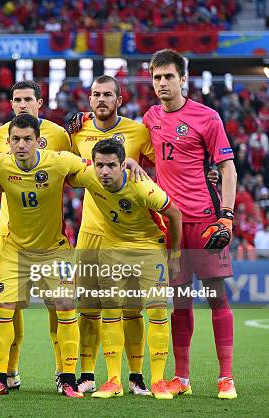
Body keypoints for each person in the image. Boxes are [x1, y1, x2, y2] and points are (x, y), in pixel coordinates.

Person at [0, 114, 89, 397]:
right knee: (3, 311)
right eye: (16, 140)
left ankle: (68, 379)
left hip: (54, 251)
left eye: (27, 139)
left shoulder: (58, 161)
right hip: (14, 250)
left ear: (38, 141)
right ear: (8, 142)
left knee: (66, 306)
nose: (21, 145)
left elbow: (96, 168)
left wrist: (128, 164)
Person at [143, 49, 238, 399]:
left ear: (184, 79)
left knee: (216, 296)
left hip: (205, 221)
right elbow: (129, 150)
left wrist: (226, 215)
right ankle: (182, 378)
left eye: (169, 76)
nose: (163, 83)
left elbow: (228, 168)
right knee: (180, 301)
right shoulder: (150, 117)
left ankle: (225, 377)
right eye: (157, 77)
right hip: (171, 226)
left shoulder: (207, 117)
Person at [68, 138, 182, 399]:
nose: (104, 172)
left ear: (123, 166)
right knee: (110, 310)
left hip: (149, 249)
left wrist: (174, 256)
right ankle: (113, 381)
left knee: (156, 310)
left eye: (111, 165)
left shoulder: (142, 187)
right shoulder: (90, 176)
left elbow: (175, 215)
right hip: (112, 248)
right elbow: (62, 168)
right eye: (100, 165)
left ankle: (158, 381)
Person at [70, 75, 155, 395]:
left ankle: (135, 375)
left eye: (108, 94)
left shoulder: (138, 131)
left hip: (128, 235)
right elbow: (66, 169)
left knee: (132, 308)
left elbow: (159, 171)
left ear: (119, 100)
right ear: (89, 100)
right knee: (88, 307)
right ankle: (88, 373)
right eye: (96, 94)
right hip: (91, 232)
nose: (101, 99)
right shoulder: (77, 132)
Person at [0, 80, 73, 390]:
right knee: (9, 307)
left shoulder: (59, 136)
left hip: (49, 232)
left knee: (59, 305)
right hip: (10, 232)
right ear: (10, 104)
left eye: (28, 99)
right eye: (17, 99)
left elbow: (72, 173)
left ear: (40, 101)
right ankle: (8, 372)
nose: (23, 104)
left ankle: (64, 373)